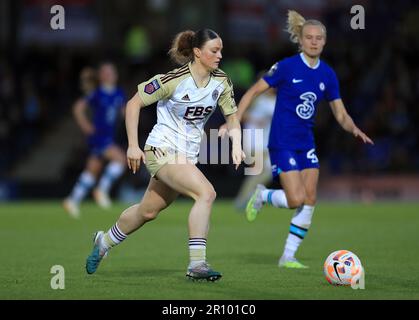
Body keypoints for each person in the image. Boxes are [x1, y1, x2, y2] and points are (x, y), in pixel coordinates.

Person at [85, 29, 244, 281]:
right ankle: (197, 264)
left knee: (147, 212)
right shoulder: (173, 79)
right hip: (161, 149)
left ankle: (103, 241)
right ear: (197, 52)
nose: (220, 55)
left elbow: (232, 117)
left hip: (186, 156)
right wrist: (133, 146)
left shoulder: (221, 81)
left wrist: (236, 145)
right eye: (214, 50)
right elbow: (133, 103)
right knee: (206, 193)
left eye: (221, 50)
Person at [222, 10, 374, 269]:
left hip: (306, 143)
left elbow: (340, 112)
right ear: (301, 41)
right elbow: (254, 92)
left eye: (318, 38)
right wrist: (233, 120)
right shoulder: (286, 67)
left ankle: (287, 257)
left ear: (324, 42)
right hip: (281, 142)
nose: (314, 42)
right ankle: (262, 195)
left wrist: (354, 129)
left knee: (310, 198)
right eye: (309, 37)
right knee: (295, 199)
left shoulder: (327, 74)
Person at [63, 63, 127, 218]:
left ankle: (72, 200)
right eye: (106, 72)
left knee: (92, 171)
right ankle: (102, 190)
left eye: (112, 72)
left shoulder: (119, 93)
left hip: (109, 136)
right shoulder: (97, 93)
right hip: (99, 136)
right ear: (101, 76)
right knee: (121, 160)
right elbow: (78, 108)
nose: (110, 75)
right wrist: (85, 125)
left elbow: (125, 111)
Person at [233, 78, 276, 211]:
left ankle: (247, 198)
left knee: (265, 171)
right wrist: (255, 119)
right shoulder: (257, 98)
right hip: (253, 138)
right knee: (261, 170)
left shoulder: (277, 100)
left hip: (267, 141)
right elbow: (238, 114)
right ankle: (244, 200)